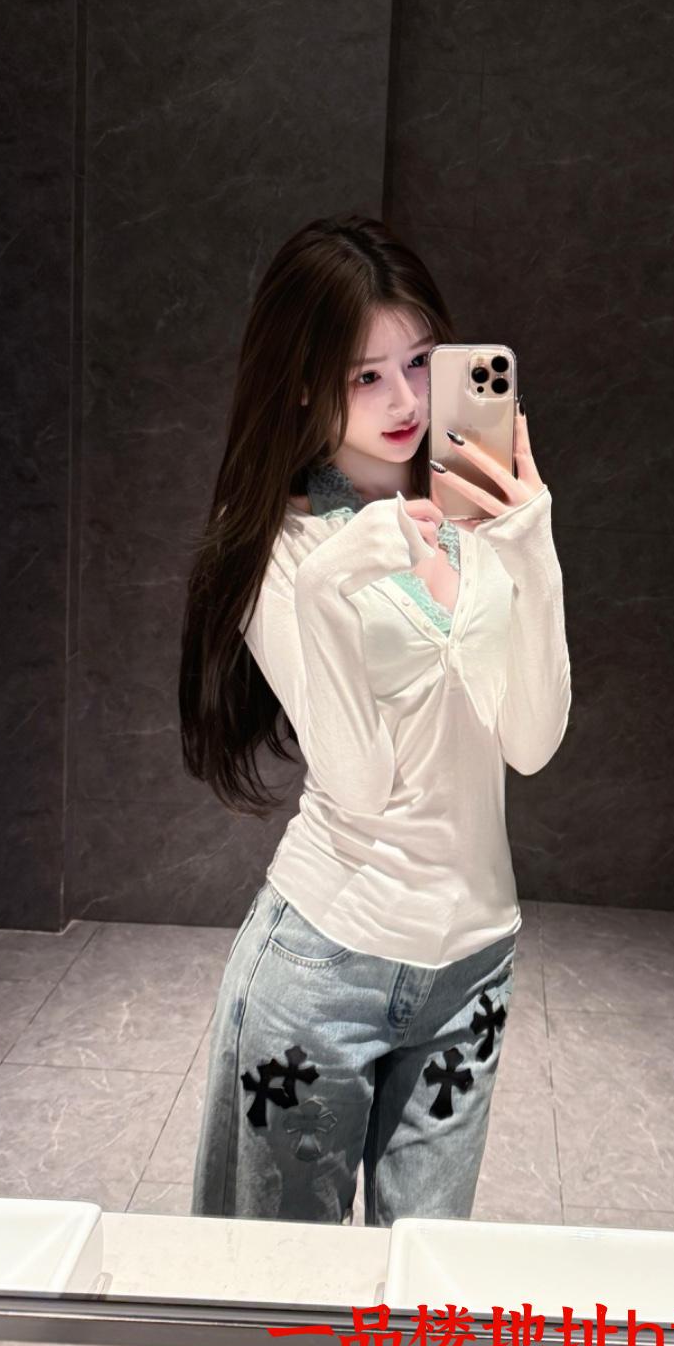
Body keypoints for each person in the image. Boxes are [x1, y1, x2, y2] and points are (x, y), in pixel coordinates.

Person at [178, 213, 571, 1227]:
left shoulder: (478, 515)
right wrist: (328, 588)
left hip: (474, 960)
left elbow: (531, 742)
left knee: (419, 1280)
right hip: (326, 962)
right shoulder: (279, 550)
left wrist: (531, 546)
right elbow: (357, 785)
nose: (405, 401)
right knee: (270, 1284)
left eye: (421, 363)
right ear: (306, 384)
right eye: (366, 376)